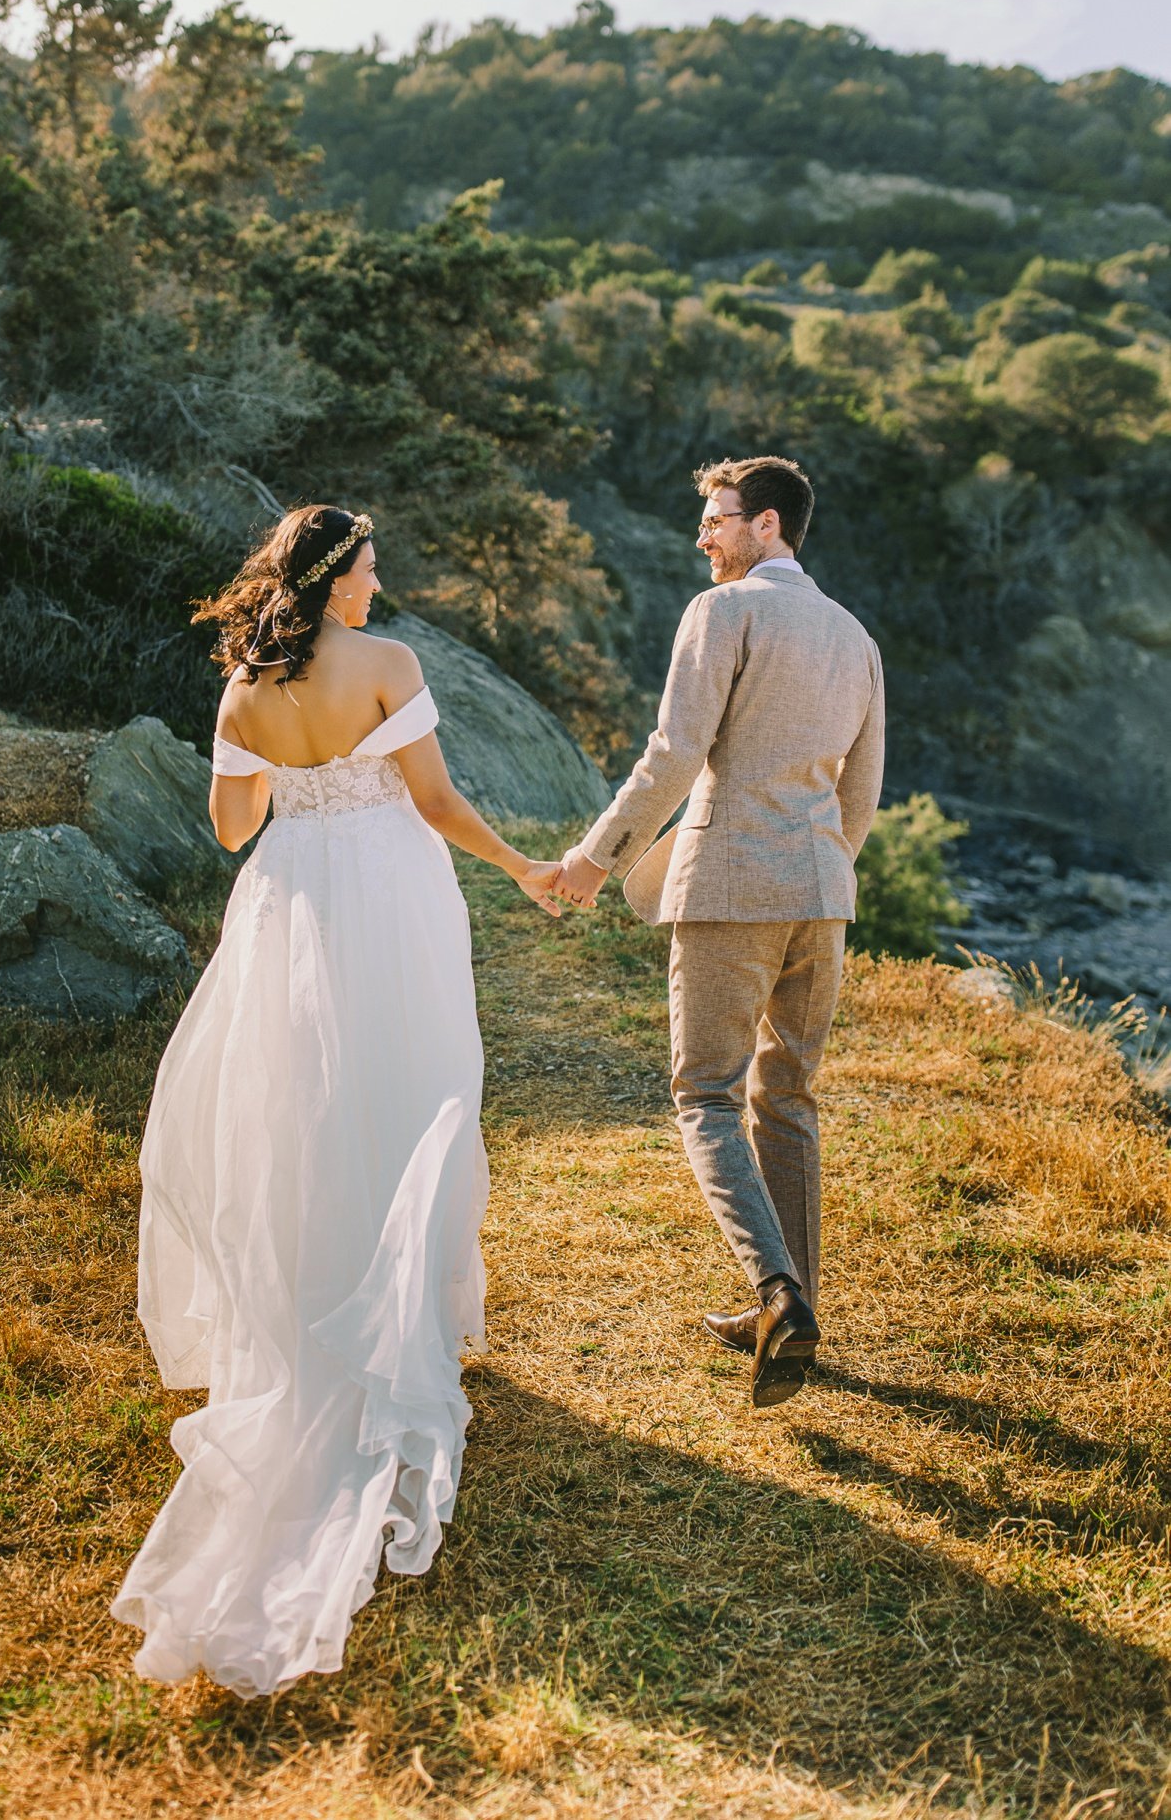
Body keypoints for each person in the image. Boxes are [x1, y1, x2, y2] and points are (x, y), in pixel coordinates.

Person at [111, 504, 562, 1695]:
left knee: (299, 1107)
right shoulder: (391, 666)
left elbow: (227, 829)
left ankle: (320, 1304)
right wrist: (523, 867)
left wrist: (284, 772)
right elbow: (436, 803)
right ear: (335, 577)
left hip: (288, 905)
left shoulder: (245, 686)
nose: (380, 580)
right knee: (412, 1095)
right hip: (391, 902)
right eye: (370, 565)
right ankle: (396, 1314)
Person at [554, 456, 884, 1409]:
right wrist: (819, 866)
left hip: (730, 887)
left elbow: (675, 753)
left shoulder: (723, 614)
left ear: (768, 525)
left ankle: (778, 1296)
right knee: (788, 1098)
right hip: (823, 893)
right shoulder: (855, 638)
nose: (703, 535)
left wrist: (596, 856)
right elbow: (859, 795)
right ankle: (794, 1313)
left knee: (704, 1093)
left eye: (717, 519)